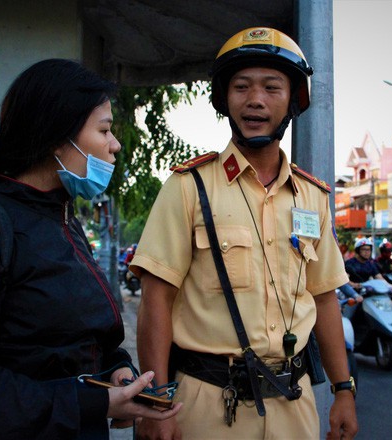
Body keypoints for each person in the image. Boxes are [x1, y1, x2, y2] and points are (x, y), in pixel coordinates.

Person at [0, 59, 180, 439]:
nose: (115, 144)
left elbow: (74, 342)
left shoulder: (62, 219)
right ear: (58, 137)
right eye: (104, 130)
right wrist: (93, 403)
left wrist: (118, 370)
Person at [130, 27, 357, 439]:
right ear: (224, 99)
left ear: (293, 101)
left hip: (295, 400)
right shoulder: (188, 187)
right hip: (206, 402)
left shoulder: (312, 196)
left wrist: (344, 390)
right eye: (241, 87)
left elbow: (324, 297)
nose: (255, 99)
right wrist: (155, 403)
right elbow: (156, 300)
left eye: (272, 87)